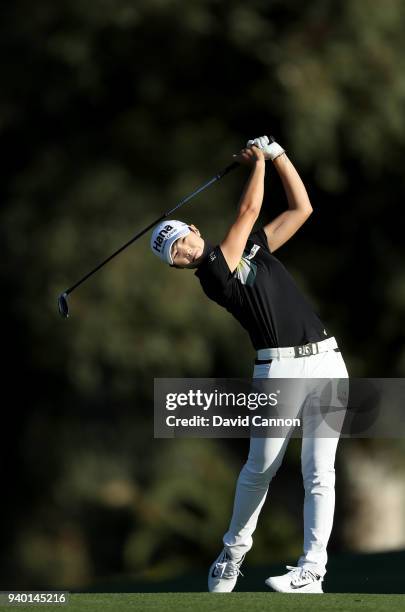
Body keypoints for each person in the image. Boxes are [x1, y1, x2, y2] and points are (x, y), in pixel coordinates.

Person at [150, 135, 349, 594]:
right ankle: (232, 555)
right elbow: (247, 213)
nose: (182, 250)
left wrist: (279, 157)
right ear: (178, 267)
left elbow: (302, 209)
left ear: (194, 229)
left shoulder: (254, 247)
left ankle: (312, 570)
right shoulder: (215, 276)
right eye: (174, 254)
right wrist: (258, 161)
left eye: (181, 240)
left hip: (327, 360)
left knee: (320, 471)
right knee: (260, 467)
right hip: (277, 370)